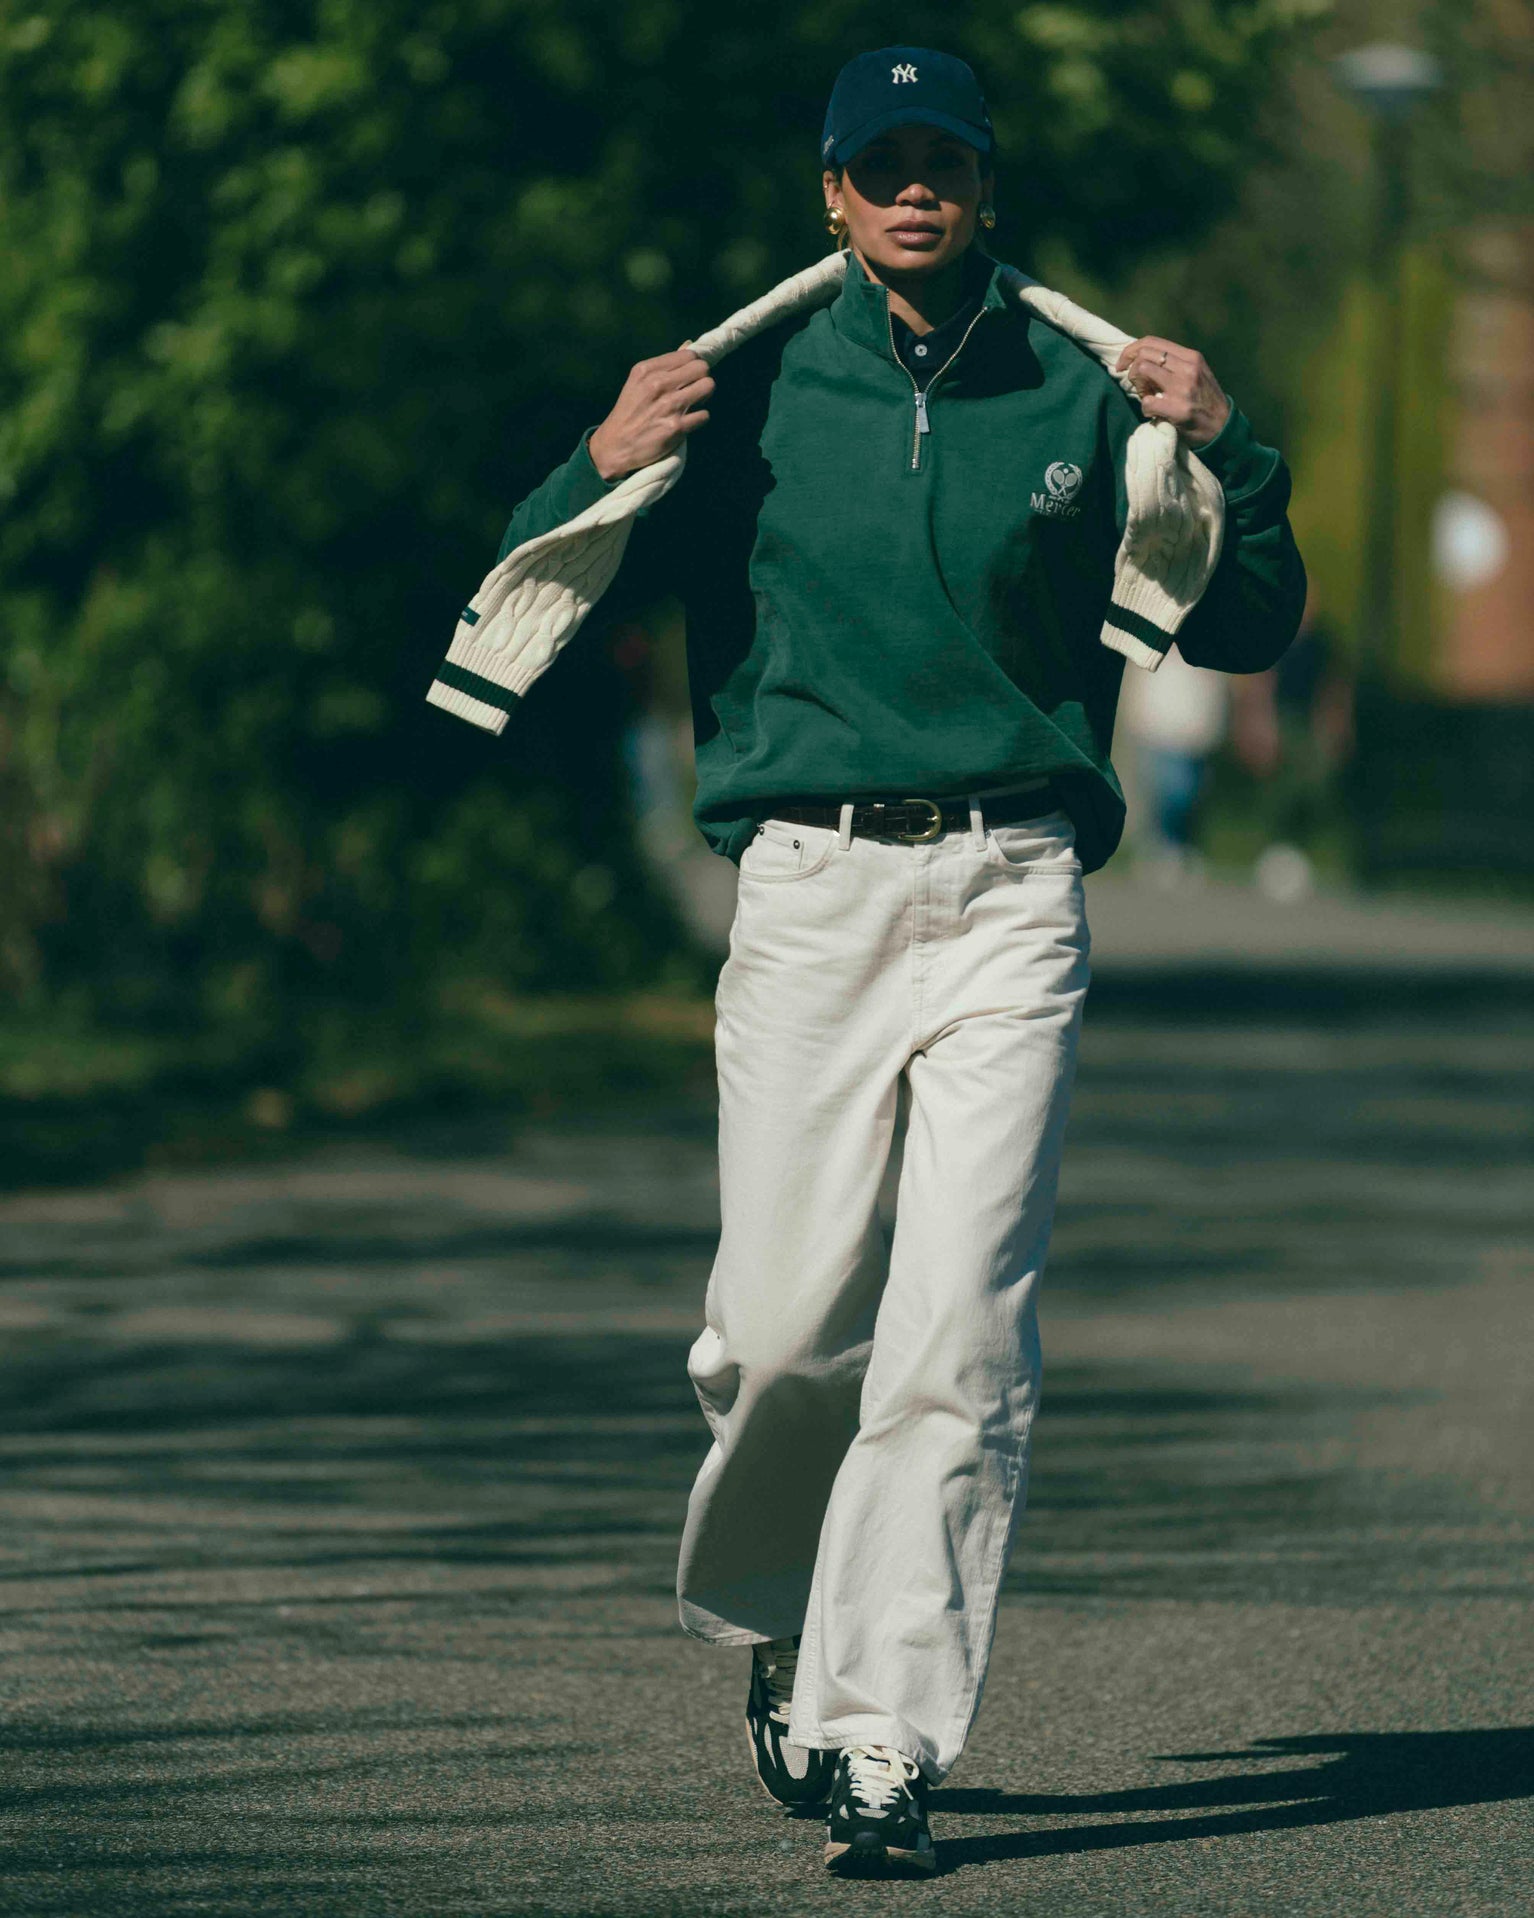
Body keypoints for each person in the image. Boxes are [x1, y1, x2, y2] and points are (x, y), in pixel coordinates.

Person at [433, 46, 1305, 1878]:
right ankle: (778, 1615)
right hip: (811, 893)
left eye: (947, 163)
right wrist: (588, 459)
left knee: (960, 1329)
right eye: (879, 164)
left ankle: (883, 1728)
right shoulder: (737, 387)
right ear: (829, 192)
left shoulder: (1085, 380)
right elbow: (550, 563)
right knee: (778, 1334)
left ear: (985, 189)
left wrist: (1227, 445)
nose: (916, 190)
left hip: (1010, 886)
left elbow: (1240, 615)